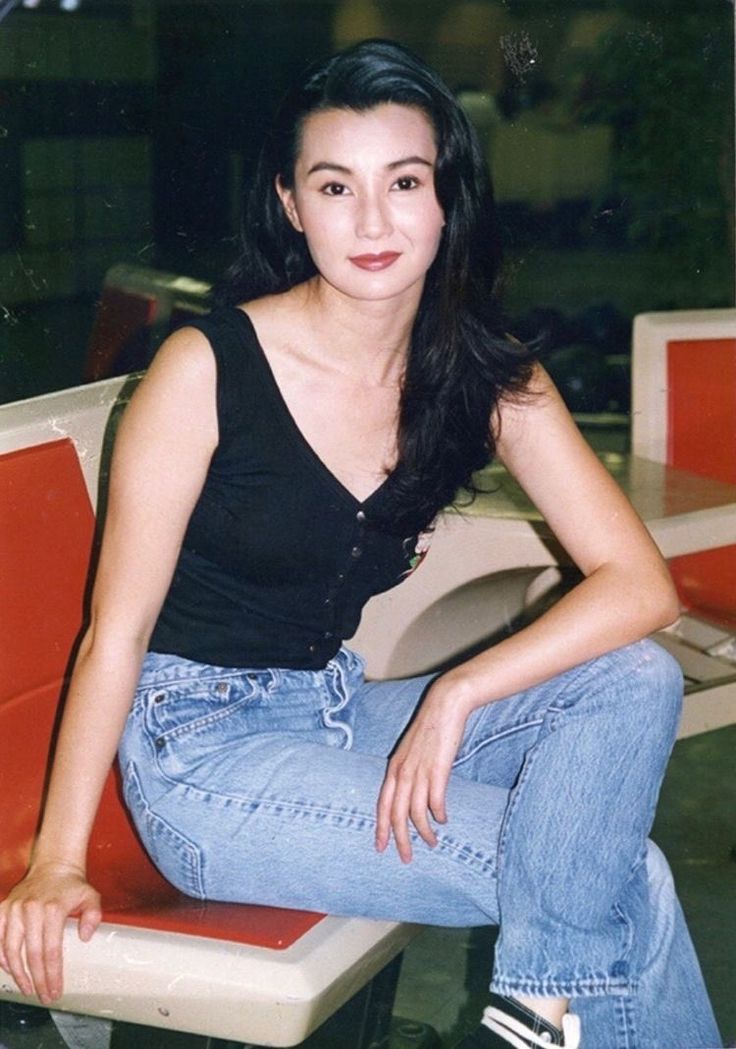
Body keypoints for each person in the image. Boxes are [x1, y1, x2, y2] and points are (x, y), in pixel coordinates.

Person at [0, 40, 722, 1049]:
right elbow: (111, 636)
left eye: (406, 181)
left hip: (338, 714)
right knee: (619, 877)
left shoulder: (486, 376)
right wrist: (57, 859)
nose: (374, 221)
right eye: (336, 185)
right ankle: (542, 1007)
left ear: (445, 198)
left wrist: (456, 691)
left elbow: (638, 585)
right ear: (292, 204)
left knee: (632, 675)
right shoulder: (206, 370)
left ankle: (538, 1003)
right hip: (207, 761)